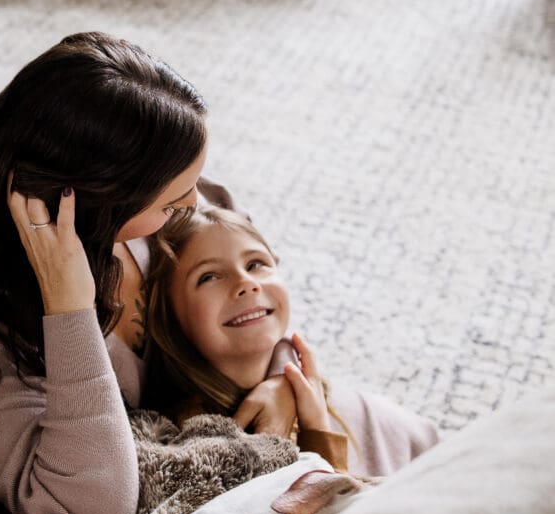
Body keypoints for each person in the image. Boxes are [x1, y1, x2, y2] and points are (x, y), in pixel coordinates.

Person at [0, 31, 293, 514]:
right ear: (99, 200)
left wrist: (282, 381)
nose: (200, 203)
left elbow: (264, 295)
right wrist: (70, 311)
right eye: (170, 202)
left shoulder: (180, 214)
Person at [142, 204, 440, 477]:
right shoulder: (189, 444)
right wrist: (316, 432)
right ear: (170, 319)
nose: (247, 283)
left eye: (256, 264)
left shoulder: (325, 395)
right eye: (209, 277)